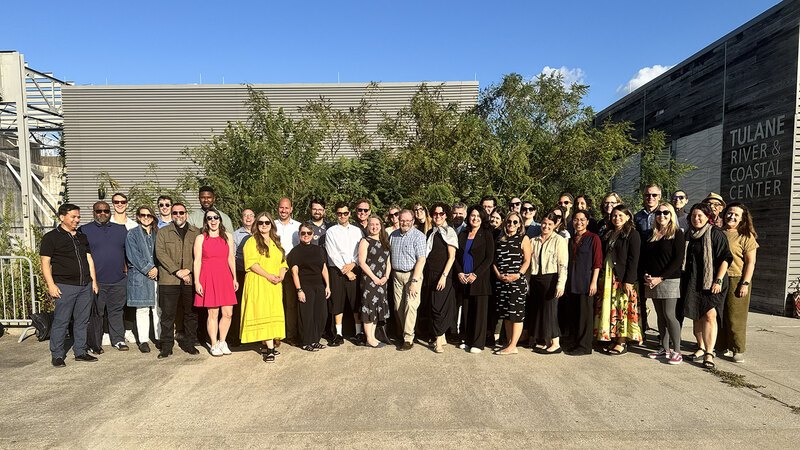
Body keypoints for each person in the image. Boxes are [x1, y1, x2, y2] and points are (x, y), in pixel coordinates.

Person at [40, 204, 99, 367]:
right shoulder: (51, 237)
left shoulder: (81, 236)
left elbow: (89, 259)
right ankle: (57, 355)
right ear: (62, 217)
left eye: (78, 217)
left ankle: (80, 351)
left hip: (85, 285)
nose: (77, 220)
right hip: (65, 286)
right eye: (73, 217)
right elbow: (45, 263)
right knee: (62, 320)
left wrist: (93, 281)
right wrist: (51, 285)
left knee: (82, 320)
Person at [682, 203, 732, 369]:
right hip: (693, 281)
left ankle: (709, 353)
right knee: (696, 315)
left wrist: (718, 280)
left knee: (709, 315)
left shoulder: (715, 233)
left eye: (700, 216)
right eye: (693, 216)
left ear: (708, 217)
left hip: (712, 281)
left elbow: (725, 258)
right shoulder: (689, 235)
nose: (696, 219)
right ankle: (701, 347)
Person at [80, 201, 129, 352]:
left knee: (116, 311)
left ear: (110, 212)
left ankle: (118, 340)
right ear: (93, 212)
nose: (102, 214)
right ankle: (95, 343)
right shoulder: (84, 230)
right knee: (96, 314)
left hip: (118, 280)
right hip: (97, 281)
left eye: (106, 211)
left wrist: (126, 273)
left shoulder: (121, 229)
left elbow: (127, 253)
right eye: (99, 211)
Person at [594, 204, 642, 354]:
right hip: (607, 276)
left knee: (622, 308)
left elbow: (634, 260)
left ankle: (622, 341)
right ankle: (613, 338)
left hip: (622, 277)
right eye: (614, 215)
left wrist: (629, 280)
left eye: (621, 215)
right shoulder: (609, 232)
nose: (617, 218)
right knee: (610, 307)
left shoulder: (633, 234)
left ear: (628, 217)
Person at [641, 203, 685, 365]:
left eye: (666, 212)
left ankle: (677, 351)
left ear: (671, 214)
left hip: (669, 280)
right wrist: (647, 275)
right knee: (660, 316)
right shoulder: (651, 234)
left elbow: (677, 260)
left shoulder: (677, 234)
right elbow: (646, 258)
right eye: (659, 213)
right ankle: (664, 348)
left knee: (669, 314)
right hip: (652, 280)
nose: (662, 215)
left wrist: (661, 278)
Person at [155, 202, 201, 358]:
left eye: (181, 213)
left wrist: (188, 270)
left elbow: (199, 255)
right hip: (169, 279)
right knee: (168, 314)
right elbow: (160, 253)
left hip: (189, 279)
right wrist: (177, 271)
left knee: (191, 314)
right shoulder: (163, 232)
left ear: (186, 214)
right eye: (175, 213)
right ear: (171, 215)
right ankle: (166, 346)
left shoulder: (196, 232)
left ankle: (189, 343)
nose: (178, 216)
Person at [241, 212, 288, 362]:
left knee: (273, 313)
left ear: (271, 225)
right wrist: (268, 275)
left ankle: (268, 344)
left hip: (274, 285)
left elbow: (283, 262)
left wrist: (281, 275)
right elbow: (252, 263)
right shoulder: (251, 241)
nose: (264, 225)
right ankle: (270, 349)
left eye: (267, 223)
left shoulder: (275, 242)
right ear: (256, 224)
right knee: (263, 313)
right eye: (260, 223)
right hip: (259, 282)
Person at [716, 202, 758, 363]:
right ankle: (721, 346)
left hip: (736, 278)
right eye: (729, 213)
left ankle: (737, 348)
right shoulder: (718, 232)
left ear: (742, 219)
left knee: (735, 316)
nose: (731, 216)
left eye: (736, 215)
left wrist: (745, 283)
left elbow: (750, 263)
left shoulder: (746, 236)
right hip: (717, 279)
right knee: (718, 315)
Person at [193, 208, 238, 356]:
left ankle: (222, 341)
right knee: (213, 313)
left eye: (216, 218)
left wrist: (234, 278)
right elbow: (197, 261)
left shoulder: (228, 237)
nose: (213, 221)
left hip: (225, 277)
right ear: (206, 221)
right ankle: (213, 344)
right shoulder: (201, 238)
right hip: (208, 277)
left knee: (228, 313)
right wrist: (197, 282)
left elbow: (231, 259)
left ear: (220, 219)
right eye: (210, 218)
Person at [454, 206, 494, 353]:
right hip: (464, 278)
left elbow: (489, 258)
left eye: (478, 216)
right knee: (466, 311)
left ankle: (477, 343)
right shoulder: (463, 233)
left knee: (479, 312)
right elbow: (456, 257)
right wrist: (459, 273)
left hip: (480, 279)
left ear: (482, 218)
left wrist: (475, 274)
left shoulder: (487, 234)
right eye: (472, 215)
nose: (475, 218)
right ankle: (466, 339)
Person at [324, 202, 364, 346]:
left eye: (345, 213)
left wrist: (353, 264)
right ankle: (338, 334)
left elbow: (359, 250)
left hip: (354, 268)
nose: (342, 216)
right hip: (337, 271)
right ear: (336, 214)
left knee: (355, 302)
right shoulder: (331, 231)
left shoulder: (356, 231)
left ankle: (358, 332)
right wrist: (346, 271)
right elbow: (332, 253)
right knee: (337, 303)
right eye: (340, 213)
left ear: (349, 214)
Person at [492, 211, 532, 355]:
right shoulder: (499, 238)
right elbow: (494, 260)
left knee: (516, 314)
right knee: (506, 314)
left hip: (516, 282)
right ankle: (510, 344)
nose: (511, 224)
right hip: (501, 282)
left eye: (515, 222)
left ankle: (513, 344)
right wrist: (498, 275)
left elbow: (527, 260)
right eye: (509, 221)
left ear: (520, 224)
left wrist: (518, 275)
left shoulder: (523, 238)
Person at [288, 222, 331, 352]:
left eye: (308, 233)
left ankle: (315, 339)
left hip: (319, 285)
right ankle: (306, 341)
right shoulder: (295, 252)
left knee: (320, 314)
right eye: (303, 233)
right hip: (305, 287)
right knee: (306, 315)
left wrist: (328, 286)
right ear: (299, 234)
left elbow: (324, 269)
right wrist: (299, 290)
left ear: (312, 235)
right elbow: (294, 273)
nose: (306, 235)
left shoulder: (319, 250)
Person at [563, 210, 602, 356]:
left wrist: (594, 282)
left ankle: (585, 346)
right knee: (575, 314)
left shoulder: (593, 238)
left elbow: (597, 262)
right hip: (572, 282)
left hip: (586, 282)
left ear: (587, 221)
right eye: (576, 219)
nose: (579, 222)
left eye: (582, 219)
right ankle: (576, 342)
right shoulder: (572, 239)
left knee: (585, 315)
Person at [529, 212, 568, 354]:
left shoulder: (559, 240)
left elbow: (563, 264)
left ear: (554, 225)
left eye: (550, 224)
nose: (546, 226)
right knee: (539, 310)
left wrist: (561, 284)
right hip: (535, 278)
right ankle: (544, 340)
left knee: (550, 311)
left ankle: (555, 343)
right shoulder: (533, 240)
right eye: (544, 223)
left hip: (550, 278)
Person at [422, 203, 458, 353]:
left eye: (441, 214)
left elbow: (451, 257)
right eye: (435, 214)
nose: (438, 216)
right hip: (430, 274)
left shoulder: (449, 232)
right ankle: (440, 336)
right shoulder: (431, 232)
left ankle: (438, 340)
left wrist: (443, 276)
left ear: (446, 215)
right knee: (432, 306)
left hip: (443, 275)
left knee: (439, 307)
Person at [389, 210, 427, 350]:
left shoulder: (418, 236)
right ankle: (403, 332)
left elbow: (421, 260)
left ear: (412, 221)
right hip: (397, 276)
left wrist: (415, 281)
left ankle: (408, 338)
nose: (404, 223)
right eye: (402, 220)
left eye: (407, 220)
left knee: (411, 306)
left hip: (413, 275)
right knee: (398, 307)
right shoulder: (393, 235)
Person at [125, 206, 160, 353]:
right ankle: (143, 340)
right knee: (142, 309)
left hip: (158, 275)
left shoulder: (158, 234)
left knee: (158, 309)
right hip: (141, 275)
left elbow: (162, 252)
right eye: (142, 215)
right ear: (138, 217)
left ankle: (159, 338)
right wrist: (148, 269)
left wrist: (157, 268)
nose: (146, 217)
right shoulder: (132, 234)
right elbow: (133, 255)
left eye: (149, 215)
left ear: (153, 217)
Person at [357, 216, 392, 348]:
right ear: (368, 226)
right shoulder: (365, 241)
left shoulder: (385, 241)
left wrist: (386, 277)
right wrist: (374, 278)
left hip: (382, 281)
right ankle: (369, 338)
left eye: (377, 224)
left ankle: (373, 336)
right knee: (368, 308)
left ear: (381, 226)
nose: (374, 227)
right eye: (372, 224)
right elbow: (362, 262)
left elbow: (388, 261)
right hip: (369, 280)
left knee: (377, 307)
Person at [275, 197, 301, 345]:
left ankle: (291, 335)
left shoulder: (297, 227)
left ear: (291, 209)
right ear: (278, 208)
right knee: (276, 303)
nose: (283, 210)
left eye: (286, 208)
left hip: (291, 269)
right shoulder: (271, 225)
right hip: (274, 268)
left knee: (291, 303)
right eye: (281, 207)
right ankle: (276, 334)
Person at [231, 209, 255, 345]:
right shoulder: (236, 235)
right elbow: (232, 256)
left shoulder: (260, 232)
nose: (248, 218)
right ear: (242, 218)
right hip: (241, 272)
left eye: (251, 215)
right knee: (239, 304)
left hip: (256, 273)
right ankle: (236, 336)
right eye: (245, 215)